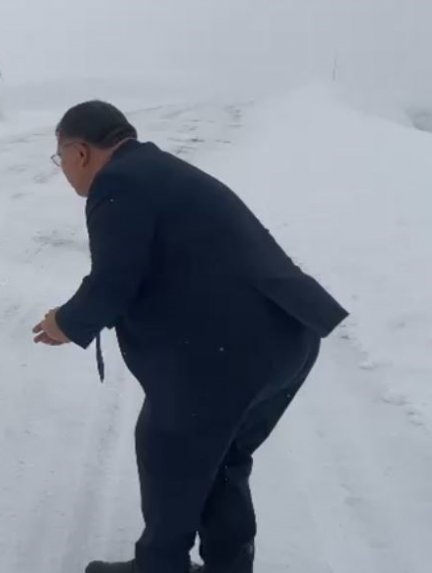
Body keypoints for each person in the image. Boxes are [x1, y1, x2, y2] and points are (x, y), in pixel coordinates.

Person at [32, 100, 348, 573]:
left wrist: (67, 322)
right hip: (288, 338)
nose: (65, 172)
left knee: (168, 452)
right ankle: (228, 564)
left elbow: (115, 281)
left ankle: (160, 566)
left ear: (79, 151)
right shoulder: (156, 170)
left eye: (60, 160)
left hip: (233, 352)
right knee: (220, 459)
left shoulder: (117, 183)